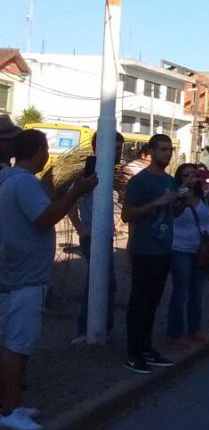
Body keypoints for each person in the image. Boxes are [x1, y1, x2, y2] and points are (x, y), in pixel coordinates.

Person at [0, 129, 98, 429]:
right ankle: (8, 412)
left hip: (13, 272)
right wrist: (75, 192)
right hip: (25, 277)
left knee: (12, 341)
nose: (48, 156)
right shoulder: (23, 181)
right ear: (39, 150)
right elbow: (45, 217)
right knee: (18, 344)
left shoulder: (7, 180)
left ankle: (12, 403)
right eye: (46, 149)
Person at [121, 134, 183, 375]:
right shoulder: (140, 181)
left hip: (164, 249)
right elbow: (127, 215)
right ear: (151, 152)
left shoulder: (170, 180)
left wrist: (182, 204)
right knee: (139, 302)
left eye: (170, 150)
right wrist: (156, 203)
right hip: (144, 248)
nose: (167, 154)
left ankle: (146, 349)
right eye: (163, 150)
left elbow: (169, 214)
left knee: (153, 302)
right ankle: (133, 353)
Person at [68, 131, 124, 343]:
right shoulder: (89, 174)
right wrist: (81, 227)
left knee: (106, 283)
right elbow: (71, 201)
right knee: (98, 282)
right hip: (93, 237)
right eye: (116, 148)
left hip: (105, 236)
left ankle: (102, 327)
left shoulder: (108, 173)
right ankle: (86, 329)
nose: (119, 153)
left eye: (120, 148)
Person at [167, 163, 209, 348]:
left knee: (197, 292)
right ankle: (176, 332)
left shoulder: (202, 195)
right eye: (186, 174)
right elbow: (171, 212)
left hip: (199, 250)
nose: (191, 177)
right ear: (179, 177)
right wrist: (182, 190)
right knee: (180, 292)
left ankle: (193, 329)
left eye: (193, 174)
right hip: (179, 249)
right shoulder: (177, 194)